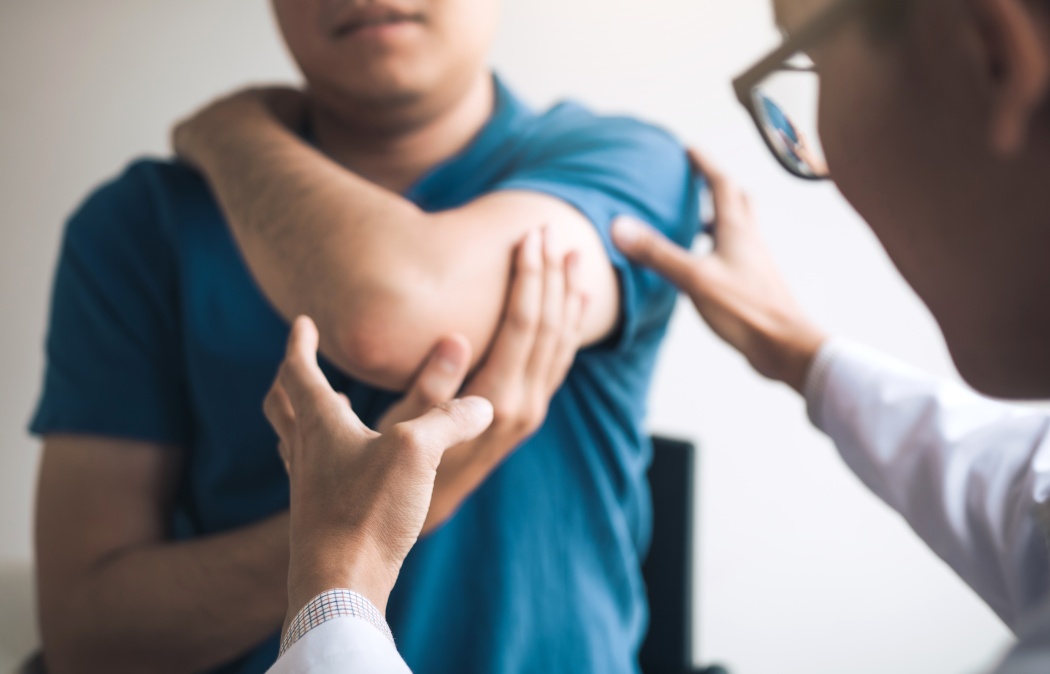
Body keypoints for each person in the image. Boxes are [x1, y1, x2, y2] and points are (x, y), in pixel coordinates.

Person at [257, 0, 1050, 671]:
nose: (827, 163)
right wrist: (800, 354)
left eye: (808, 66)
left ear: (994, 54)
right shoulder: (149, 214)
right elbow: (1025, 498)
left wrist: (335, 577)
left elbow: (389, 319)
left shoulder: (616, 153)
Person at [29, 2, 698, 674]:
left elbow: (389, 318)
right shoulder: (141, 225)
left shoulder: (626, 161)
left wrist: (227, 131)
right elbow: (85, 638)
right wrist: (366, 531)